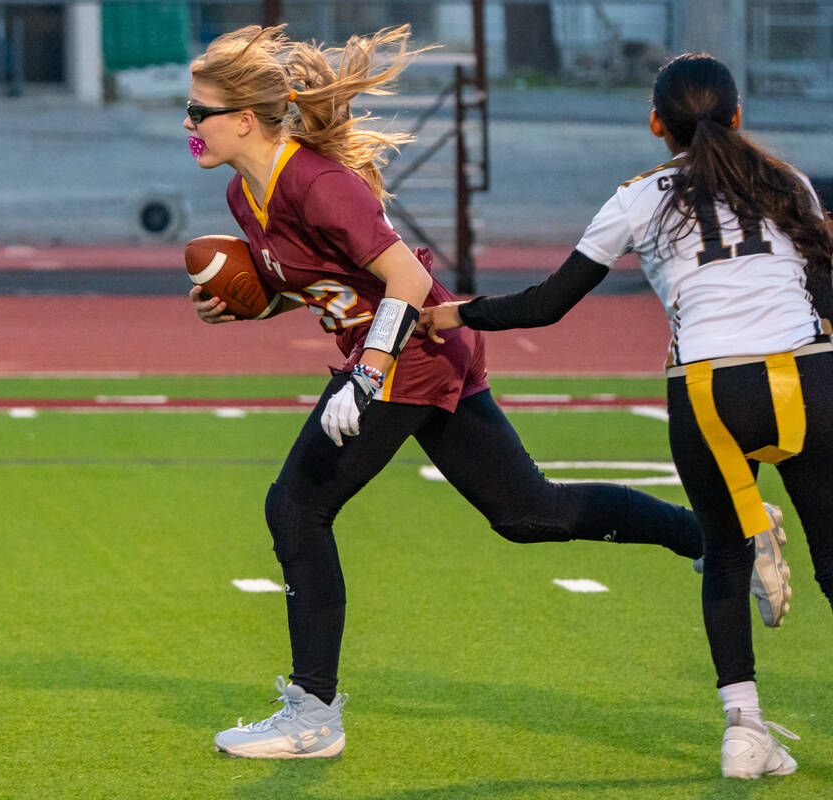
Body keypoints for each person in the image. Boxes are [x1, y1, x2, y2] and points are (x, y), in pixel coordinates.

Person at [183, 29, 790, 762]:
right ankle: (721, 536)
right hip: (411, 353)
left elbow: (405, 281)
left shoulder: (316, 183)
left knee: (297, 507)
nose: (189, 125)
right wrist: (254, 301)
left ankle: (313, 716)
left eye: (198, 110)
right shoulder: (242, 193)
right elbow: (322, 285)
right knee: (529, 513)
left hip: (411, 354)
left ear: (245, 119)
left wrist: (368, 374)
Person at [422, 53, 833, 779]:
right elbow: (824, 290)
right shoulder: (787, 179)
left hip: (710, 387)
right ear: (738, 115)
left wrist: (456, 313)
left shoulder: (640, 197)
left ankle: (743, 731)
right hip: (808, 372)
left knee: (727, 553)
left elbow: (549, 304)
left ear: (655, 123)